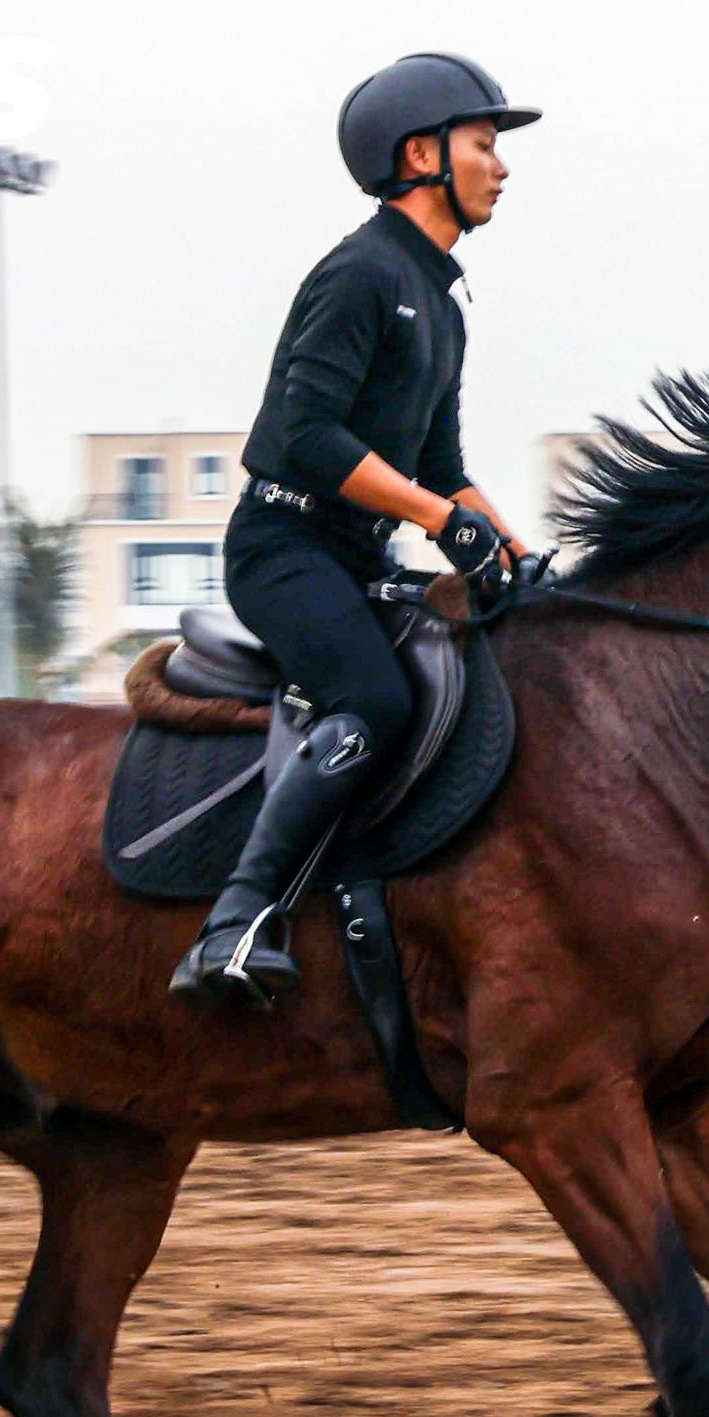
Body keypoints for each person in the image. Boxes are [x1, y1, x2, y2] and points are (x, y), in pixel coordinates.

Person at [170, 52, 538, 1006]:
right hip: (282, 549)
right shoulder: (360, 274)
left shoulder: (443, 303)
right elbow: (308, 435)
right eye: (484, 145)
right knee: (374, 701)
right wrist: (435, 519)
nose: (502, 167)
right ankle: (234, 922)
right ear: (422, 155)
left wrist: (513, 548)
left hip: (356, 555)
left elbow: (445, 474)